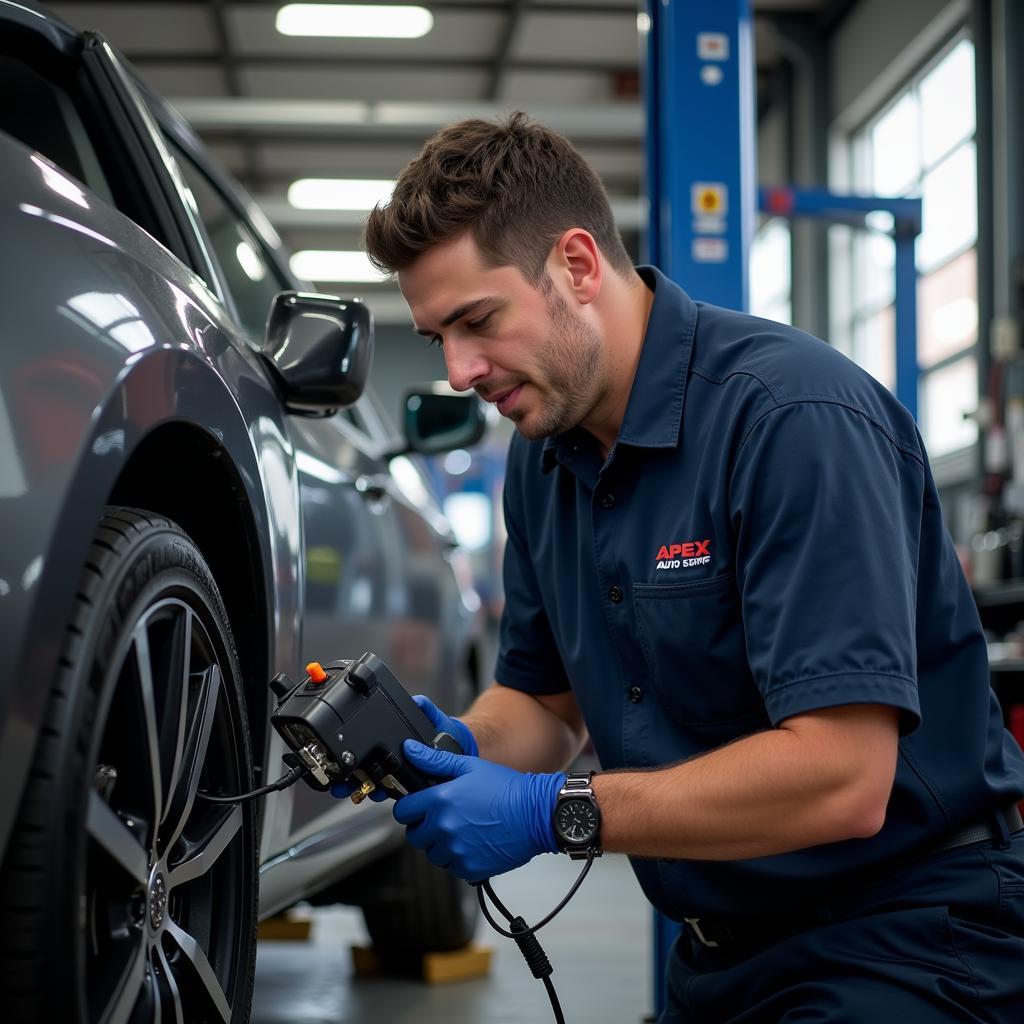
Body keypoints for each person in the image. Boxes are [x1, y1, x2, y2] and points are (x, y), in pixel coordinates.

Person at [334, 111, 1024, 1021]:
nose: (460, 371)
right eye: (439, 340)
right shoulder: (545, 462)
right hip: (717, 957)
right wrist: (461, 748)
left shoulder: (792, 422)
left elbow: (842, 779)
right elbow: (545, 703)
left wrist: (552, 813)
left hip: (909, 942)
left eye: (477, 321)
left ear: (577, 265)